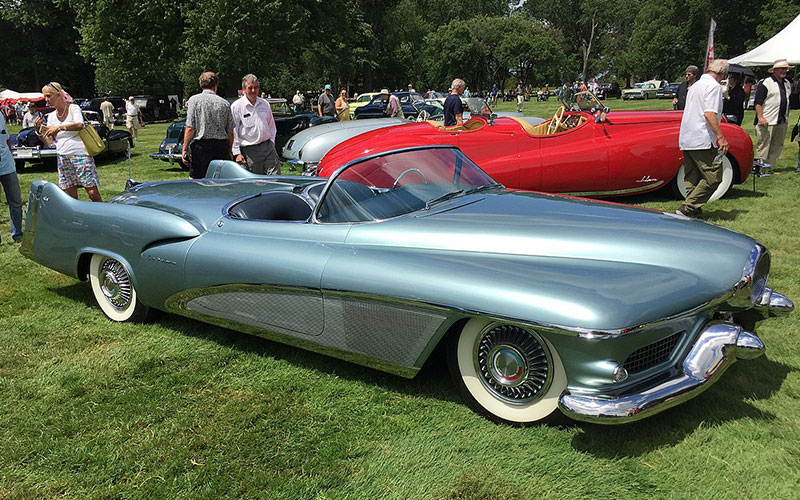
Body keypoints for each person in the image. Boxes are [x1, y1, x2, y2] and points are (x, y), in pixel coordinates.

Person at [676, 59, 729, 219]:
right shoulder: (713, 87)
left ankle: (692, 211)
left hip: (687, 135)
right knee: (714, 176)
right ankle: (688, 207)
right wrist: (721, 136)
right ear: (723, 74)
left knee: (692, 176)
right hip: (702, 137)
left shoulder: (695, 85)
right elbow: (709, 113)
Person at [33, 82, 102, 202]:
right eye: (45, 96)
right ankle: (75, 219)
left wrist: (59, 128)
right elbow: (49, 142)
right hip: (62, 157)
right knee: (70, 197)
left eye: (49, 96)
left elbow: (79, 124)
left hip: (80, 155)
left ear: (59, 95)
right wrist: (38, 130)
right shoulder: (52, 116)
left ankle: (104, 217)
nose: (46, 100)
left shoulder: (73, 108)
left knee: (92, 193)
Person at [181, 71, 234, 179]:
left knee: (197, 181)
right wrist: (229, 150)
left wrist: (184, 148)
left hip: (202, 148)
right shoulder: (224, 103)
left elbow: (190, 127)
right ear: (215, 85)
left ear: (201, 84)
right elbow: (230, 131)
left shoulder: (194, 101)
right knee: (222, 182)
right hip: (221, 148)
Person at [231, 74, 280, 175]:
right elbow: (233, 131)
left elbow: (271, 126)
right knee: (256, 182)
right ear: (244, 89)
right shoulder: (237, 107)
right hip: (250, 150)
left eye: (256, 87)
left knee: (276, 179)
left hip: (268, 147)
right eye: (250, 88)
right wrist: (237, 153)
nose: (253, 90)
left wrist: (271, 142)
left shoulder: (265, 104)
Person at [754, 59, 793, 168]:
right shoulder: (766, 83)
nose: (784, 71)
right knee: (764, 144)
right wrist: (760, 117)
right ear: (774, 70)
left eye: (785, 69)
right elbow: (758, 102)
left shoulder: (787, 83)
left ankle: (770, 167)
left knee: (777, 145)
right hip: (768, 119)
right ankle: (760, 168)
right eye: (781, 68)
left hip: (782, 120)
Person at [0, 111, 23, 242]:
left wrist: (11, 158)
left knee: (15, 201)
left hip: (7, 166)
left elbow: (6, 138)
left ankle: (17, 234)